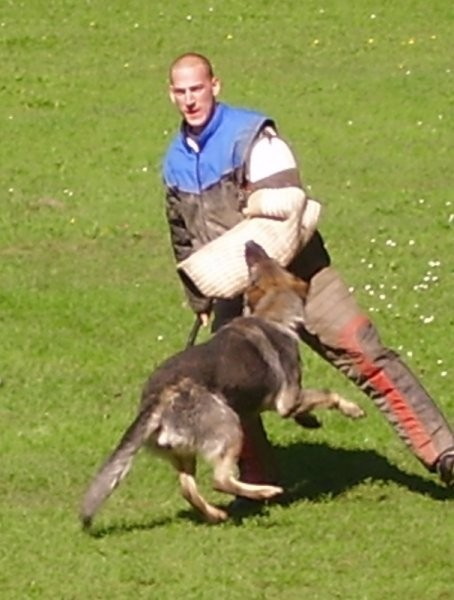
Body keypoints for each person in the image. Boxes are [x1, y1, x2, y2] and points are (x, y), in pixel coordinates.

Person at [161, 51, 454, 488]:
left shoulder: (253, 136)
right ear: (171, 95)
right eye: (181, 92)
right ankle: (256, 481)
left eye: (197, 89)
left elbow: (286, 204)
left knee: (364, 352)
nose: (190, 100)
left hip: (300, 275)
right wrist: (200, 298)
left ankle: (443, 453)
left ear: (215, 86)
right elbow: (181, 233)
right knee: (228, 385)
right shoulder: (174, 161)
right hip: (235, 291)